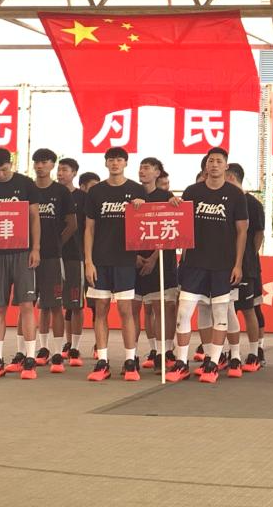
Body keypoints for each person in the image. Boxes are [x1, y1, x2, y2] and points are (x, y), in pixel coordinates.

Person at [165, 148, 247, 383]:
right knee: (184, 312)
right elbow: (180, 220)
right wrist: (173, 203)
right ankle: (181, 362)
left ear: (226, 166)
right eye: (211, 161)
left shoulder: (235, 194)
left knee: (220, 313)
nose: (214, 164)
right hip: (194, 264)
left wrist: (238, 264)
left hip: (223, 265)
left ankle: (213, 363)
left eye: (219, 161)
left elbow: (242, 231)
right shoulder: (192, 191)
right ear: (205, 166)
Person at [83, 147, 146, 382]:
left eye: (119, 160)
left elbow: (147, 223)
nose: (115, 163)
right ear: (106, 163)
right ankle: (102, 361)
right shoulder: (96, 191)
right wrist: (88, 261)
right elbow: (89, 229)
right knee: (100, 310)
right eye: (111, 160)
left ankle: (130, 361)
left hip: (125, 260)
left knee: (126, 310)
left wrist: (142, 206)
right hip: (100, 260)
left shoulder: (136, 190)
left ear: (126, 163)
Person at [0, 148, 42, 380]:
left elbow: (34, 217)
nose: (0, 174)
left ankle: (30, 358)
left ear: (11, 164)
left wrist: (35, 249)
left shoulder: (26, 184)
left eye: (4, 170)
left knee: (26, 305)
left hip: (23, 252)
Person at [31, 149, 76, 374]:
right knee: (32, 305)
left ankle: (58, 353)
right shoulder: (27, 188)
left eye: (44, 162)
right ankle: (39, 350)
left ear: (52, 165)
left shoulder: (61, 192)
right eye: (36, 162)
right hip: (28, 256)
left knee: (55, 304)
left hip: (52, 257)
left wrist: (57, 243)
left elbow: (72, 224)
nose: (40, 166)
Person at [133, 157, 178, 371]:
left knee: (163, 309)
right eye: (141, 167)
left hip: (161, 260)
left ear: (157, 172)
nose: (142, 171)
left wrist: (153, 258)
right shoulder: (131, 194)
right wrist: (135, 257)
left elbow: (172, 230)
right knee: (133, 309)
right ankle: (132, 355)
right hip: (134, 261)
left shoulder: (166, 197)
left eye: (147, 168)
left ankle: (163, 353)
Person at [225, 163, 268, 371]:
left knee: (249, 309)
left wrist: (247, 255)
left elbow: (259, 234)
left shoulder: (253, 203)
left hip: (247, 267)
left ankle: (254, 353)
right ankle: (230, 352)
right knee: (226, 311)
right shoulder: (225, 200)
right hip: (224, 265)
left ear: (231, 177)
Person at [56, 160, 91, 366]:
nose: (60, 173)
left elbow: (89, 228)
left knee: (76, 304)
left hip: (75, 256)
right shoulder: (50, 194)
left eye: (65, 170)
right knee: (53, 305)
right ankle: (59, 346)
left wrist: (88, 257)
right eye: (59, 169)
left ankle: (75, 348)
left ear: (74, 173)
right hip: (52, 256)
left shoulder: (83, 198)